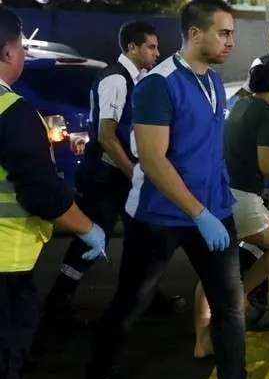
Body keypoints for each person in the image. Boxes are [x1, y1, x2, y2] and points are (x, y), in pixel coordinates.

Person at [84, 1, 269, 379]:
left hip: (213, 210)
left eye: (232, 33)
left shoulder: (213, 81)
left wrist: (218, 206)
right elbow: (155, 161)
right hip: (158, 217)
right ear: (195, 34)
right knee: (133, 300)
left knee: (230, 308)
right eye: (224, 33)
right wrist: (199, 213)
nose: (231, 41)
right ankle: (100, 375)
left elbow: (206, 151)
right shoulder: (157, 84)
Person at [0, 6, 106, 379]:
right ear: (9, 52)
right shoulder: (12, 112)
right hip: (5, 265)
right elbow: (43, 194)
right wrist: (89, 228)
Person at [41, 21, 181, 332]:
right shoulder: (115, 80)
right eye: (151, 47)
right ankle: (57, 304)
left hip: (122, 177)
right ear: (132, 47)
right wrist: (135, 174)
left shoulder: (139, 78)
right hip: (105, 178)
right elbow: (106, 136)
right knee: (90, 239)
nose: (157, 53)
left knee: (141, 237)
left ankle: (142, 294)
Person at [193, 58, 269, 359]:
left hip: (219, 194)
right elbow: (266, 163)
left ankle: (203, 340)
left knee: (213, 269)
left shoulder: (243, 104)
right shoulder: (266, 113)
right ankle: (240, 298)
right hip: (242, 198)